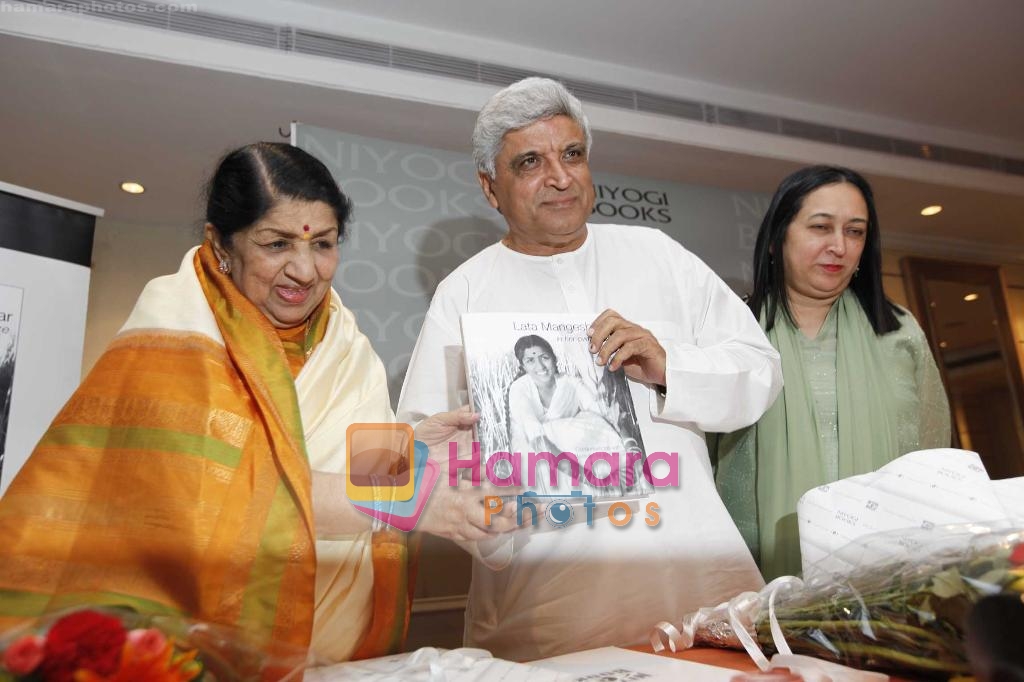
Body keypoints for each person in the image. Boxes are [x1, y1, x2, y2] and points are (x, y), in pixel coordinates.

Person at [0, 142, 516, 665]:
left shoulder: (344, 342)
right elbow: (211, 500)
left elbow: (347, 471)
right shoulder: (178, 329)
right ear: (221, 244)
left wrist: (411, 454)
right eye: (277, 244)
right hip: (185, 650)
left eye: (324, 245)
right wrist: (411, 498)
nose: (305, 270)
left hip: (327, 661)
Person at [397, 77, 783, 660]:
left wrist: (667, 365)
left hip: (700, 584)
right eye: (530, 162)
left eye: (572, 154)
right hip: (550, 608)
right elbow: (423, 449)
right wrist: (494, 495)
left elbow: (760, 371)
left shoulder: (657, 256)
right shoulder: (465, 294)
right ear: (490, 187)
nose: (560, 176)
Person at [714, 165, 951, 581]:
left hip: (894, 575)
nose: (839, 246)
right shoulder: (730, 335)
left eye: (855, 232)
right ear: (776, 239)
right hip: (758, 577)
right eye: (821, 227)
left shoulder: (899, 333)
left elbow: (934, 458)